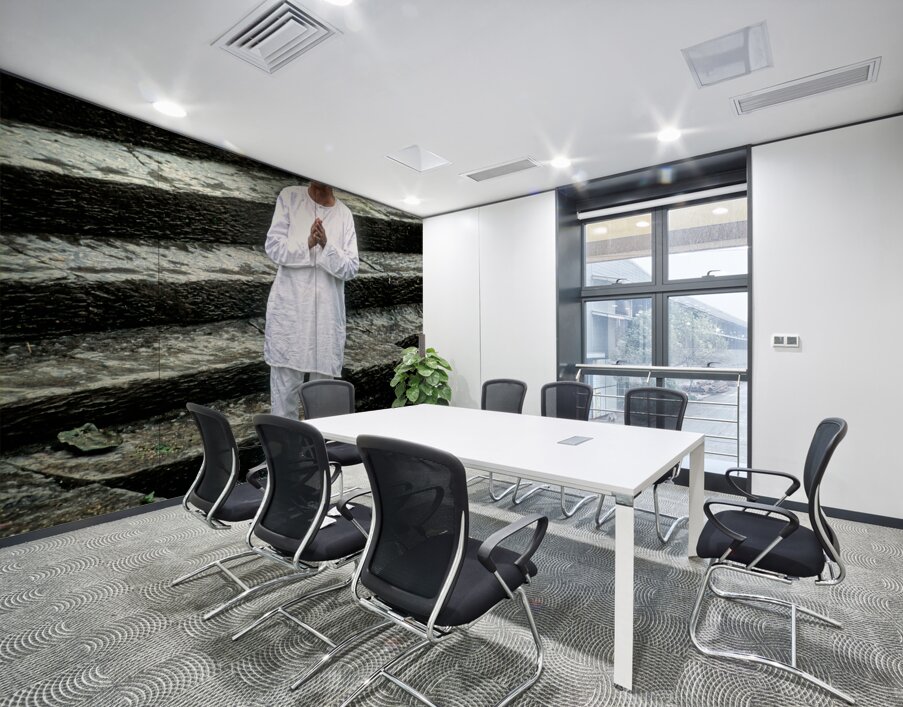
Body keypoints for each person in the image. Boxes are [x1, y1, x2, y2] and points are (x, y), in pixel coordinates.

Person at [264, 181, 359, 419]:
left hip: (326, 319)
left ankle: (320, 454)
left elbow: (351, 268)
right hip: (291, 313)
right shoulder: (290, 197)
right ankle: (284, 455)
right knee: (284, 394)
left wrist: (326, 245)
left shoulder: (344, 214)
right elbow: (273, 247)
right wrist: (307, 243)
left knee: (323, 402)